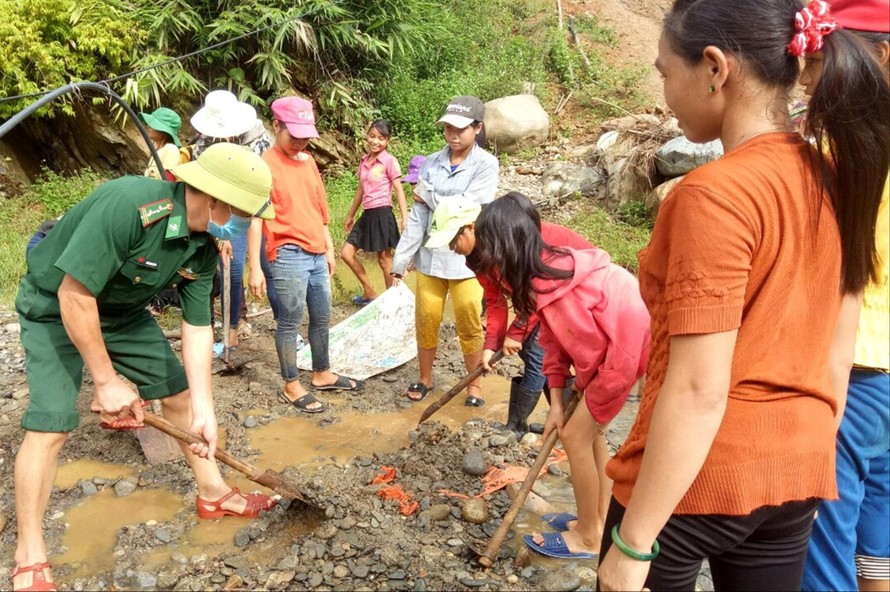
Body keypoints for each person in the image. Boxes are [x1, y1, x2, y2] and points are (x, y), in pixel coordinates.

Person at [596, 0, 889, 590]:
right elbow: (838, 345)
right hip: (798, 475)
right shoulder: (838, 175)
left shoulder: (714, 194)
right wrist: (803, 445)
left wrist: (633, 542)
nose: (665, 94)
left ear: (714, 68)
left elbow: (700, 387)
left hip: (697, 482)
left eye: (664, 73)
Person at [10, 143, 279, 592]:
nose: (243, 221)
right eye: (242, 211)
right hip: (57, 306)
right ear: (213, 198)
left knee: (178, 394)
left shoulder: (203, 249)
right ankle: (30, 554)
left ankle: (214, 494)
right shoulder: (129, 206)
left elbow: (196, 330)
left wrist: (204, 410)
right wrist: (106, 380)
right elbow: (75, 295)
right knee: (51, 425)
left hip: (122, 312)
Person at [450, 195, 649, 560]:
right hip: (610, 348)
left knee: (576, 436)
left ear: (506, 245)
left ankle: (589, 537)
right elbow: (554, 344)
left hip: (624, 352)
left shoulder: (556, 284)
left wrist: (579, 398)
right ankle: (599, 519)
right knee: (587, 432)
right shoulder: (534, 276)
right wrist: (556, 402)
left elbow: (587, 357)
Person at [799, 1, 890, 590]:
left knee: (822, 547)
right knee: (874, 536)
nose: (808, 84)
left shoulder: (860, 148)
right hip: (880, 377)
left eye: (819, 66)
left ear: (880, 55)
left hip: (852, 369)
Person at [425, 191, 595, 436]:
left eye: (453, 241)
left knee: (538, 355)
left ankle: (523, 425)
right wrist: (491, 345)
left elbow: (539, 292)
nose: (452, 249)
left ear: (470, 228)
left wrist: (516, 332)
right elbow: (494, 302)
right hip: (542, 298)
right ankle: (560, 422)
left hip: (574, 292)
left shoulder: (515, 241)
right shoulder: (476, 258)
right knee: (536, 354)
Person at [248, 96, 363, 415]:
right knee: (290, 320)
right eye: (293, 134)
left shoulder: (309, 161)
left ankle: (322, 373)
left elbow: (319, 208)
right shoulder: (265, 166)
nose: (299, 141)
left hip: (315, 252)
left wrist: (327, 246)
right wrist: (255, 267)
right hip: (286, 254)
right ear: (276, 127)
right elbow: (256, 219)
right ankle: (291, 384)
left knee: (323, 314)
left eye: (304, 135)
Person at [390, 95, 499, 406]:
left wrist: (428, 194)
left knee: (468, 319)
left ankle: (474, 386)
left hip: (466, 260)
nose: (453, 134)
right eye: (448, 128)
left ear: (477, 128)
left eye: (461, 129)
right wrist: (401, 258)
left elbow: (467, 208)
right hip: (430, 257)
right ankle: (425, 378)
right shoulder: (431, 163)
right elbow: (418, 216)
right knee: (426, 317)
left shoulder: (487, 165)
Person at [191, 90, 278, 349]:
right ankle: (231, 326)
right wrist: (218, 231)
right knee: (232, 267)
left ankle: (284, 324)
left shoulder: (258, 139)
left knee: (268, 265)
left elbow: (266, 180)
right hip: (222, 210)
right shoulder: (203, 145)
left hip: (258, 207)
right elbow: (205, 189)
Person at [341, 120, 408, 305]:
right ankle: (369, 292)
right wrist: (350, 215)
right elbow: (360, 190)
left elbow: (398, 189)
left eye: (381, 138)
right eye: (372, 136)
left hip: (383, 214)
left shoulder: (389, 161)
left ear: (387, 140)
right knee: (346, 253)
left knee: (385, 261)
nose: (375, 141)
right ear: (367, 136)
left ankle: (391, 302)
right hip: (367, 214)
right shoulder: (364, 161)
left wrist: (405, 217)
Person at [139, 107, 184, 180]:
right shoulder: (159, 150)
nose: (148, 126)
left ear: (164, 131)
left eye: (153, 125)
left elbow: (168, 182)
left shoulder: (171, 149)